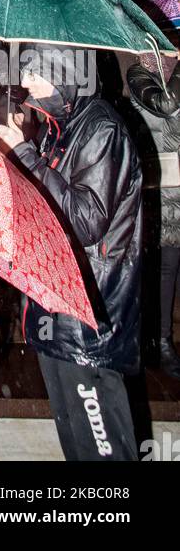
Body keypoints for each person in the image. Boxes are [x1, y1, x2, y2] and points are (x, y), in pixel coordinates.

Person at [0, 44, 143, 462]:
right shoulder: (63, 126)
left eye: (35, 74)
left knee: (103, 450)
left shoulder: (101, 131)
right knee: (78, 445)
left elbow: (85, 219)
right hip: (56, 316)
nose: (25, 84)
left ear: (65, 72)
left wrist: (25, 154)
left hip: (87, 325)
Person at [125, 60, 180, 380]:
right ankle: (154, 343)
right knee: (158, 268)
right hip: (158, 187)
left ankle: (159, 342)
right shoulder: (138, 74)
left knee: (169, 268)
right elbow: (165, 105)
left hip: (175, 189)